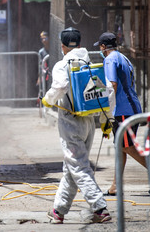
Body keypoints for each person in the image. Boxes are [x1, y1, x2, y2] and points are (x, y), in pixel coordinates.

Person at [41, 27, 111, 224]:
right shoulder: (90, 62)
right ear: (80, 44)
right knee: (71, 167)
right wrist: (106, 121)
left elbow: (60, 86)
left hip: (71, 123)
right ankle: (59, 210)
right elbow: (104, 92)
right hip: (89, 122)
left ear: (62, 46)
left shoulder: (62, 64)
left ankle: (100, 208)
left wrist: (47, 100)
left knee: (79, 167)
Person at [94, 32, 150, 196]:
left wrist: (106, 111)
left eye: (100, 46)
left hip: (122, 110)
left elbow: (112, 85)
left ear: (104, 47)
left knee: (127, 146)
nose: (100, 49)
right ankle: (115, 186)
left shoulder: (109, 59)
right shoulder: (123, 58)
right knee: (121, 148)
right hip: (130, 107)